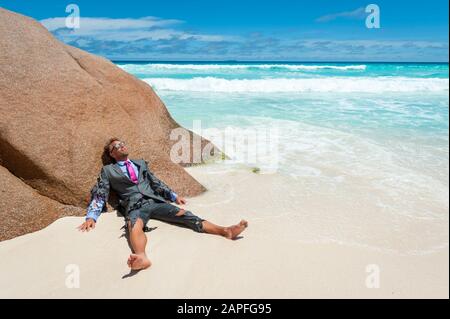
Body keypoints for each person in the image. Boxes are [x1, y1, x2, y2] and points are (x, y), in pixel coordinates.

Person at [78, 138, 248, 270]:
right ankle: (141, 257)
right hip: (134, 206)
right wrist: (92, 216)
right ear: (112, 154)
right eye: (116, 146)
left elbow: (155, 182)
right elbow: (101, 193)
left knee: (186, 215)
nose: (121, 146)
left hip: (155, 201)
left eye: (122, 143)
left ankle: (225, 231)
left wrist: (173, 196)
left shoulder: (141, 163)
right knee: (134, 226)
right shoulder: (108, 170)